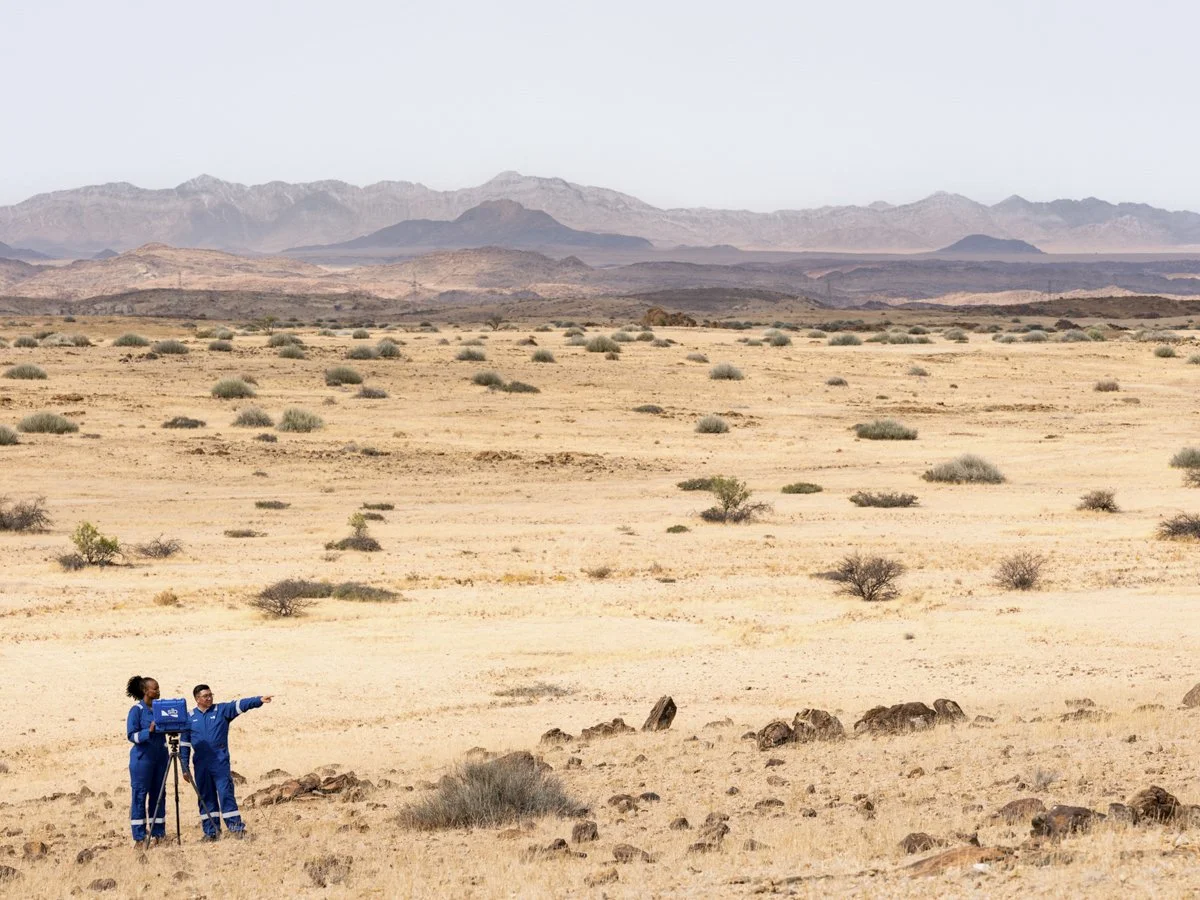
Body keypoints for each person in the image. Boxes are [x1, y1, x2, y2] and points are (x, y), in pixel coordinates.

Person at [180, 684, 272, 839]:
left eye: (211, 695)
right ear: (197, 699)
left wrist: (259, 700)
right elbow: (184, 745)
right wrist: (184, 767)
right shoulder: (189, 718)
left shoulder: (222, 710)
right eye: (205, 696)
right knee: (205, 798)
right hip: (201, 765)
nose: (209, 698)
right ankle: (211, 832)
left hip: (220, 762)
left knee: (225, 794)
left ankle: (236, 829)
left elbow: (240, 704)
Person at [125, 674, 168, 845]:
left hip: (161, 758)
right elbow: (131, 735)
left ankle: (159, 833)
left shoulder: (161, 708)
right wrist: (147, 732)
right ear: (145, 690)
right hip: (142, 760)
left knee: (159, 796)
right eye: (155, 688)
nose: (158, 691)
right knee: (140, 796)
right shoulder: (137, 711)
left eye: (158, 688)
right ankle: (140, 837)